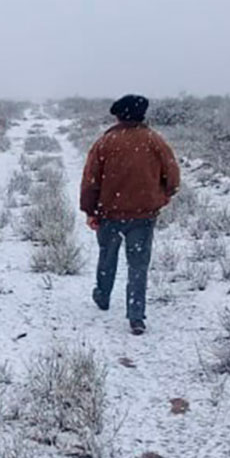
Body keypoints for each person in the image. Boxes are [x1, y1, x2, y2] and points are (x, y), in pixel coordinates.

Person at [79, 95, 180, 335]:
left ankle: (102, 295)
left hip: (109, 213)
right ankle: (136, 316)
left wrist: (90, 210)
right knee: (138, 265)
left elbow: (90, 180)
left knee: (107, 256)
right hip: (143, 215)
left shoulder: (105, 142)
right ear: (142, 115)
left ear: (118, 115)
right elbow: (173, 177)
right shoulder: (156, 141)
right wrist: (161, 198)